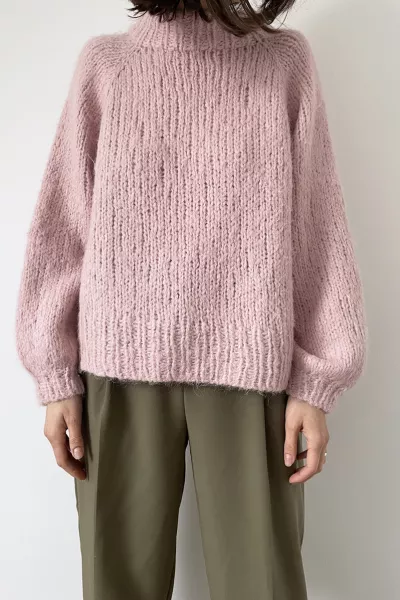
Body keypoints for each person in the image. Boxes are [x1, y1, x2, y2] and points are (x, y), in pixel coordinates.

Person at [15, 0, 368, 598]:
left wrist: (318, 380)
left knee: (262, 584)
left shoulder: (283, 64)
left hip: (253, 366)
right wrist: (54, 375)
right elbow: (63, 229)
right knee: (116, 584)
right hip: (116, 369)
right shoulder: (106, 66)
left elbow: (316, 228)